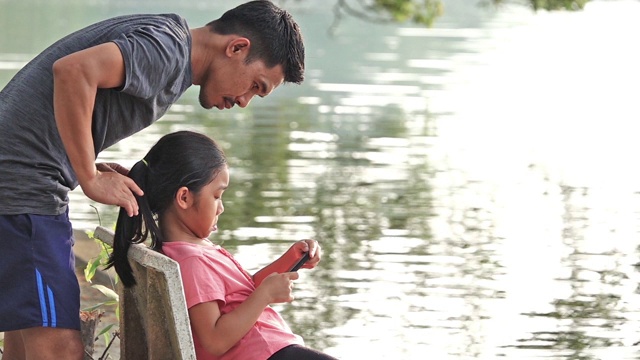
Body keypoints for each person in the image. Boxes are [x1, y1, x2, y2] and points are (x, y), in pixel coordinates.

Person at [0, 1, 305, 358]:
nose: (245, 101)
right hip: (23, 185)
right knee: (59, 348)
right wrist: (87, 177)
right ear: (237, 48)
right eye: (255, 85)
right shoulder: (168, 51)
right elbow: (73, 70)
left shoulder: (168, 46)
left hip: (20, 180)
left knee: (26, 341)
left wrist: (89, 164)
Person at [107, 130, 337, 360]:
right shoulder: (192, 262)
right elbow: (215, 340)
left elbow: (243, 294)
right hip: (263, 353)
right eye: (217, 196)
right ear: (184, 198)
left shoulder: (194, 252)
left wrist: (290, 260)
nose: (221, 207)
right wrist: (266, 294)